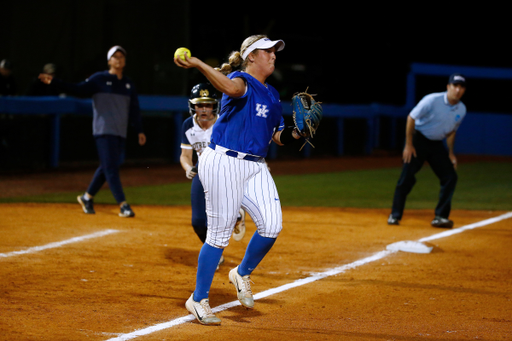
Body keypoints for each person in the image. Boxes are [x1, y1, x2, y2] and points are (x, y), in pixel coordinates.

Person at [174, 35, 306, 325]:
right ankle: (197, 299)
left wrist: (298, 133)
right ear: (251, 57)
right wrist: (198, 63)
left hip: (256, 166)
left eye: (275, 51)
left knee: (272, 225)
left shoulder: (272, 94)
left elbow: (277, 136)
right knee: (219, 236)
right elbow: (229, 87)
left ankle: (242, 272)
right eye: (267, 51)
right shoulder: (239, 80)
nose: (273, 55)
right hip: (223, 161)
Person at [38, 45, 146, 217]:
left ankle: (87, 197)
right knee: (111, 168)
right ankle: (123, 205)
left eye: (121, 57)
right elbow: (77, 89)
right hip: (103, 130)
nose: (119, 59)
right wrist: (55, 82)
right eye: (115, 57)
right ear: (109, 60)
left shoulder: (128, 83)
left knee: (108, 166)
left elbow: (134, 108)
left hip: (120, 132)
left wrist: (139, 130)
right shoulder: (99, 79)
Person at [179, 82, 246, 270]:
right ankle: (216, 252)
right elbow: (185, 155)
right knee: (199, 222)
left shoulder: (224, 122)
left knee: (221, 216)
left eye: (208, 104)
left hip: (225, 170)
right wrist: (187, 167)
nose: (204, 109)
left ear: (214, 106)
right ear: (193, 106)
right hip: (202, 171)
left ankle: (236, 216)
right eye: (200, 105)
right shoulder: (188, 125)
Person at [388, 73, 467, 228]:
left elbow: (451, 131)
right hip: (418, 140)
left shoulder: (462, 109)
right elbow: (411, 117)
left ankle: (441, 217)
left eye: (461, 87)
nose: (458, 90)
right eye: (455, 86)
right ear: (448, 87)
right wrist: (409, 144)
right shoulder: (432, 100)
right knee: (407, 176)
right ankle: (395, 215)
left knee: (450, 176)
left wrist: (451, 153)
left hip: (436, 144)